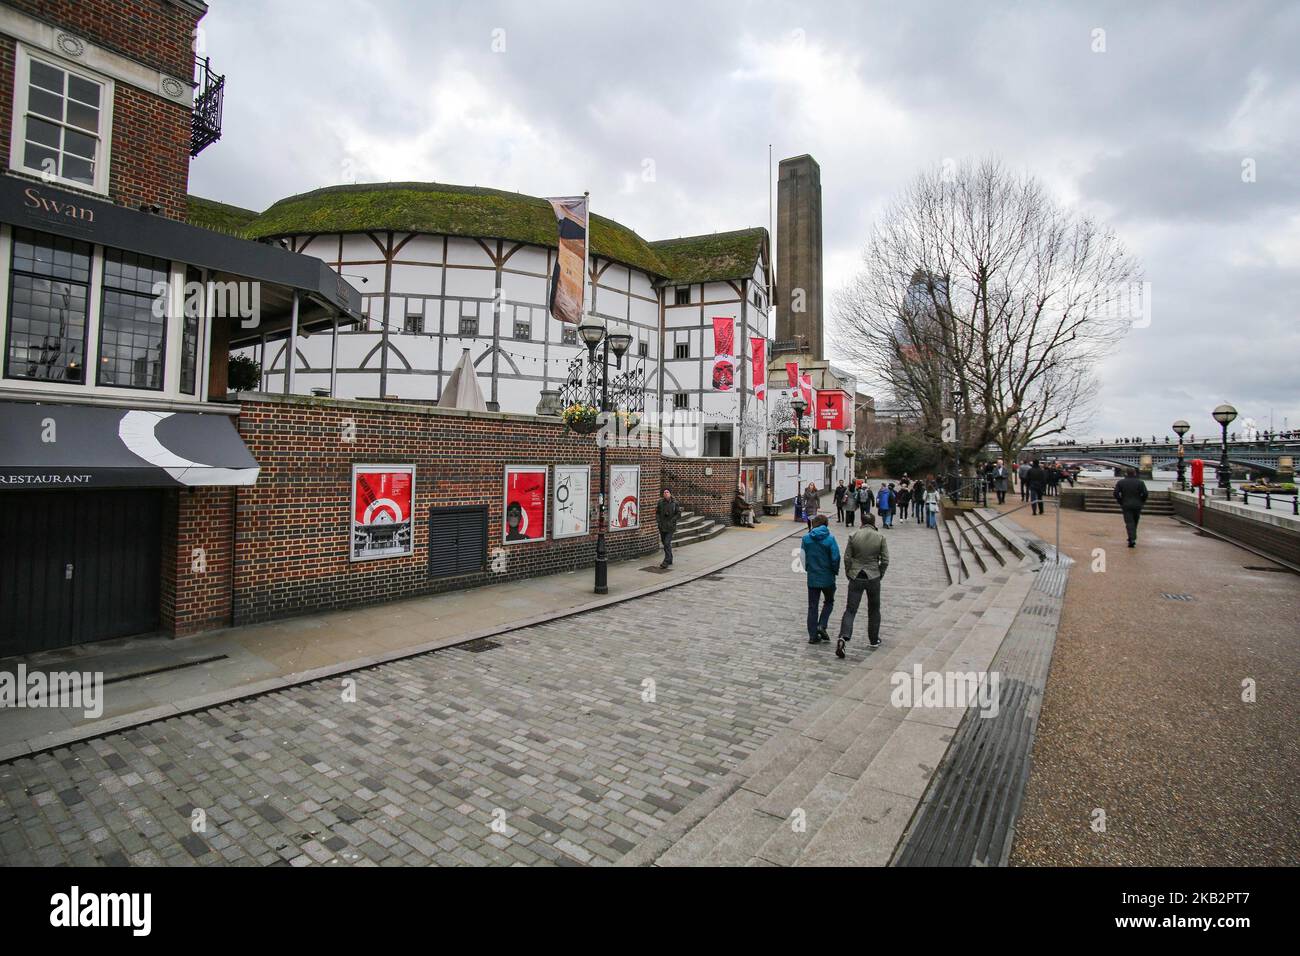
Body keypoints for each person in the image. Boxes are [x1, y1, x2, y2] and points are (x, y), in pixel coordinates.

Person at [836, 511, 889, 656]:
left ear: (861, 522)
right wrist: (880, 573)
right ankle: (873, 639)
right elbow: (885, 560)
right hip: (873, 576)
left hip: (856, 575)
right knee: (874, 609)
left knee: (850, 610)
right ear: (874, 523)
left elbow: (847, 557)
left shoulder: (853, 535)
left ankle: (843, 637)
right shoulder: (880, 537)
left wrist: (849, 572)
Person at [801, 514, 841, 645]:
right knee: (829, 601)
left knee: (812, 607)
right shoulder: (830, 539)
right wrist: (834, 571)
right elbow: (835, 558)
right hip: (828, 577)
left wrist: (808, 568)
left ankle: (813, 636)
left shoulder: (806, 539)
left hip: (812, 577)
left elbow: (802, 557)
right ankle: (822, 625)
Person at [1113, 467, 1149, 547]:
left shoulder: (1121, 482)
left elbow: (1115, 493)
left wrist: (1120, 501)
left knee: (1129, 522)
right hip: (1137, 505)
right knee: (1135, 521)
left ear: (1126, 473)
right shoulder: (1140, 482)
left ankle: (1131, 538)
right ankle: (1132, 538)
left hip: (1126, 504)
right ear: (1135, 473)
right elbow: (1145, 494)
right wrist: (1141, 501)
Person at [655, 488, 680, 569]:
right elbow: (657, 512)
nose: (665, 493)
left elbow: (678, 514)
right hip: (662, 526)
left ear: (670, 493)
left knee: (666, 543)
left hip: (670, 527)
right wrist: (658, 521)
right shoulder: (660, 502)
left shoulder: (674, 503)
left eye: (667, 492)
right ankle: (670, 558)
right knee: (665, 543)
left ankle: (666, 561)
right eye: (664, 492)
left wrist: (672, 520)